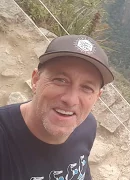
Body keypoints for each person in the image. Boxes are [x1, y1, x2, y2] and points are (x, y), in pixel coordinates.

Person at [0, 35, 114, 180]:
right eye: (60, 80)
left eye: (86, 88)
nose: (71, 100)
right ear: (36, 80)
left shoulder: (87, 125)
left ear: (97, 97)